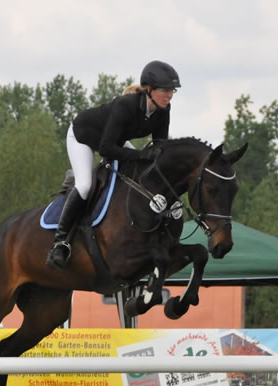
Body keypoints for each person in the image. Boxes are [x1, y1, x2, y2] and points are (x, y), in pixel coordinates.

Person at [46, 60, 181, 270]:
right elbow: (107, 148)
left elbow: (158, 147)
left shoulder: (164, 110)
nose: (169, 95)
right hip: (82, 137)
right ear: (149, 89)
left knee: (137, 171)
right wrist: (140, 154)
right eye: (165, 90)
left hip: (113, 140)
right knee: (84, 186)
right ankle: (60, 242)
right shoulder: (125, 106)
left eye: (172, 91)